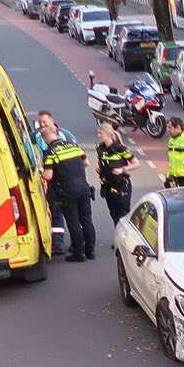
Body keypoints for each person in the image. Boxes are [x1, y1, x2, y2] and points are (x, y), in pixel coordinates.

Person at [38, 113, 95, 263]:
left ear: (45, 139)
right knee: (87, 220)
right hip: (84, 187)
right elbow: (86, 163)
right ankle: (91, 251)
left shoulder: (51, 153)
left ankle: (79, 254)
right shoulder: (73, 146)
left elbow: (48, 176)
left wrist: (41, 173)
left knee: (73, 222)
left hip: (68, 190)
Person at [95, 122, 136, 235]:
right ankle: (119, 235)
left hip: (122, 185)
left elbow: (136, 163)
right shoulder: (100, 149)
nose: (98, 135)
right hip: (108, 185)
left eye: (100, 133)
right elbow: (102, 162)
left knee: (123, 213)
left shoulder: (119, 149)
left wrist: (122, 169)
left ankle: (126, 237)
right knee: (113, 213)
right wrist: (100, 169)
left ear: (108, 134)